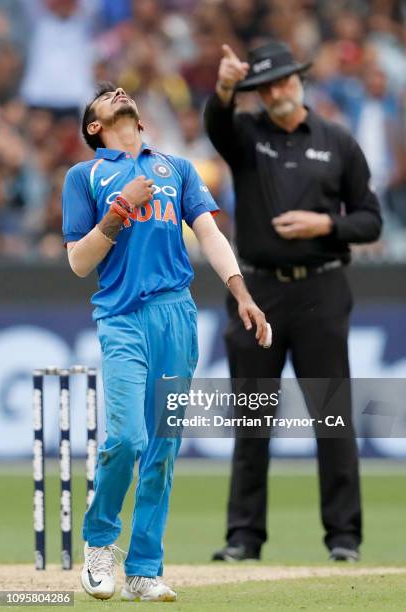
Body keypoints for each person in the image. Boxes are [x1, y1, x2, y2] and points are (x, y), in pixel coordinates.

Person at [62, 82, 269, 602]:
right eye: (106, 97)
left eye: (121, 93)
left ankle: (145, 569)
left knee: (164, 445)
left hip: (176, 313)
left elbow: (211, 234)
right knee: (128, 437)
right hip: (122, 316)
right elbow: (79, 262)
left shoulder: (176, 168)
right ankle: (99, 541)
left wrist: (241, 293)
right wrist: (118, 211)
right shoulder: (84, 176)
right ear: (95, 126)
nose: (119, 92)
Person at [204, 41, 382, 563]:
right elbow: (216, 122)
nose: (276, 91)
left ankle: (343, 537)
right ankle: (244, 537)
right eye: (265, 86)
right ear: (256, 94)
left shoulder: (337, 142)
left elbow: (371, 218)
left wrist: (326, 224)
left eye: (283, 80)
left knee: (332, 417)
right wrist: (225, 87)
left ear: (300, 81)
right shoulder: (245, 135)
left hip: (321, 289)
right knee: (252, 416)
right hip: (258, 291)